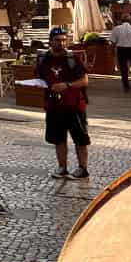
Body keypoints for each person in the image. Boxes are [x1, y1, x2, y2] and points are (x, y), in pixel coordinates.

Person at [36, 28, 90, 179]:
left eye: (64, 40)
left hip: (74, 105)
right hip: (53, 105)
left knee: (80, 138)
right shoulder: (43, 59)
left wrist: (67, 85)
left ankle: (83, 168)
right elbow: (40, 77)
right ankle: (62, 167)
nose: (61, 43)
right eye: (58, 40)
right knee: (58, 138)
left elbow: (84, 81)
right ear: (50, 41)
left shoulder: (73, 59)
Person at [109, 16, 131, 92]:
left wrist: (112, 51)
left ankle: (126, 86)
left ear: (121, 20)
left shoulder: (116, 29)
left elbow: (113, 42)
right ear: (130, 21)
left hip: (121, 49)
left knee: (123, 68)